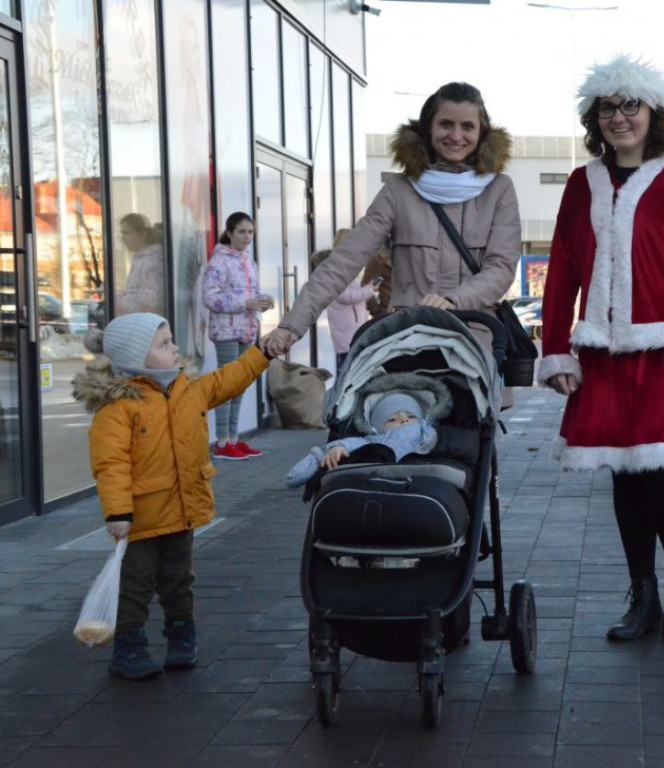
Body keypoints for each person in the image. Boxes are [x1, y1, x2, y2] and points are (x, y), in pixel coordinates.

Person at [538, 55, 664, 645]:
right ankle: (642, 594)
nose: (620, 117)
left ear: (654, 111)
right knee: (625, 477)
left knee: (662, 474)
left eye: (631, 104)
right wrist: (558, 350)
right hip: (604, 354)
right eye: (608, 106)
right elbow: (563, 271)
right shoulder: (582, 183)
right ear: (593, 116)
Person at [71, 312, 272, 679]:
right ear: (136, 358)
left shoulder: (189, 388)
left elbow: (231, 378)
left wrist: (262, 352)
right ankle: (128, 649)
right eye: (164, 344)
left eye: (173, 341)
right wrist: (118, 513)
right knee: (136, 585)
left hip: (183, 509)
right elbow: (110, 463)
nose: (176, 349)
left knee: (179, 580)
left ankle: (182, 638)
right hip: (141, 517)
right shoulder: (119, 407)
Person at [263, 82, 520, 358]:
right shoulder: (399, 190)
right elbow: (344, 261)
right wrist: (292, 325)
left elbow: (501, 268)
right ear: (428, 128)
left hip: (475, 343)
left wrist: (453, 300)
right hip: (408, 342)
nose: (456, 136)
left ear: (481, 133)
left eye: (467, 127)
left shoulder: (499, 189)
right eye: (446, 124)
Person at [202, 212, 274, 461]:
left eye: (251, 232)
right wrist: (247, 302)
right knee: (227, 384)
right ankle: (222, 441)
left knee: (240, 383)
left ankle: (233, 437)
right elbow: (210, 298)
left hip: (247, 328)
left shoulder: (249, 262)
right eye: (242, 232)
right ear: (230, 233)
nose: (247, 237)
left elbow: (251, 294)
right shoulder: (218, 262)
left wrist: (263, 300)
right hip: (225, 331)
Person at [285, 392, 436, 487]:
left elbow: (444, 440)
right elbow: (353, 443)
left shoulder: (427, 430)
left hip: (421, 471)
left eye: (412, 416)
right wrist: (337, 448)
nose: (404, 420)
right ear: (377, 427)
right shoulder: (373, 440)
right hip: (382, 475)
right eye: (392, 419)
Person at [311, 230, 383, 372]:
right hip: (347, 330)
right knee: (347, 369)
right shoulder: (335, 270)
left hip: (354, 326)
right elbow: (346, 296)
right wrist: (370, 290)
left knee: (353, 367)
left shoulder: (345, 268)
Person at [116, 213, 165, 317]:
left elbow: (152, 302)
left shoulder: (152, 261)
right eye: (122, 234)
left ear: (142, 234)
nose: (123, 238)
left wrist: (119, 304)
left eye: (127, 233)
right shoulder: (139, 259)